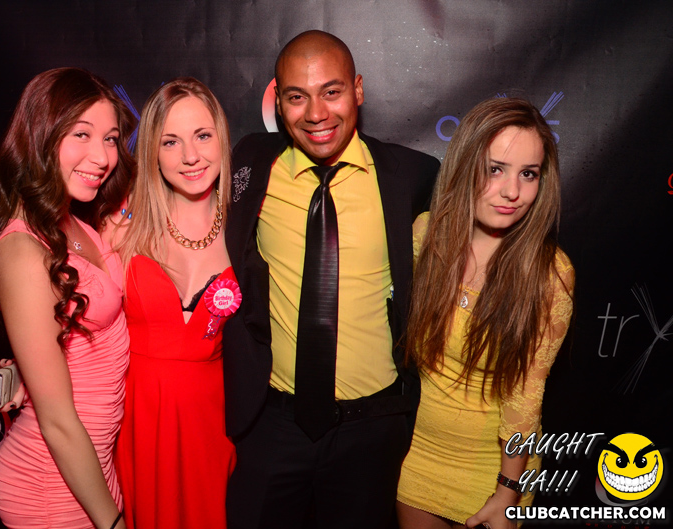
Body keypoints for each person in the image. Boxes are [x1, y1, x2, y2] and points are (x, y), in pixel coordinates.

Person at [223, 30, 440, 528]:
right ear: (279, 103)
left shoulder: (411, 175)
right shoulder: (251, 162)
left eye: (332, 91)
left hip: (373, 431)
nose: (316, 113)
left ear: (358, 90)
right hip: (272, 424)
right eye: (297, 97)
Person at [0, 67, 135, 529]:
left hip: (92, 470)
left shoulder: (76, 222)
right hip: (49, 483)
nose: (102, 156)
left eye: (111, 139)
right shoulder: (23, 252)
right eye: (82, 134)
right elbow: (57, 422)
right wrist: (113, 524)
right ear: (40, 135)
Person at [395, 97, 575, 529]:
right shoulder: (425, 237)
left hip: (496, 472)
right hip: (417, 459)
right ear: (465, 166)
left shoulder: (549, 273)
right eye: (496, 169)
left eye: (528, 174)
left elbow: (525, 396)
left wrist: (507, 492)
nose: (513, 191)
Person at [113, 77, 237, 529]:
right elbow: (74, 310)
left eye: (202, 136)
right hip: (138, 422)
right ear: (152, 152)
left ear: (221, 139)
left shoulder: (248, 231)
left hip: (214, 424)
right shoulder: (120, 227)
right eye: (170, 142)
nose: (190, 156)